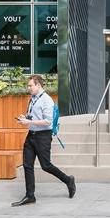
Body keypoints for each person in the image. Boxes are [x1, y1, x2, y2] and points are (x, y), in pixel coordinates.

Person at [11, 74, 75, 206]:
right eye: (28, 85)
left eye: (30, 85)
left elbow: (48, 122)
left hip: (43, 136)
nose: (28, 88)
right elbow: (33, 116)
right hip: (31, 135)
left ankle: (68, 180)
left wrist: (29, 121)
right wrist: (26, 118)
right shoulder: (32, 99)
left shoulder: (46, 100)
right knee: (27, 165)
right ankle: (30, 196)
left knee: (46, 165)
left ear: (38, 85)